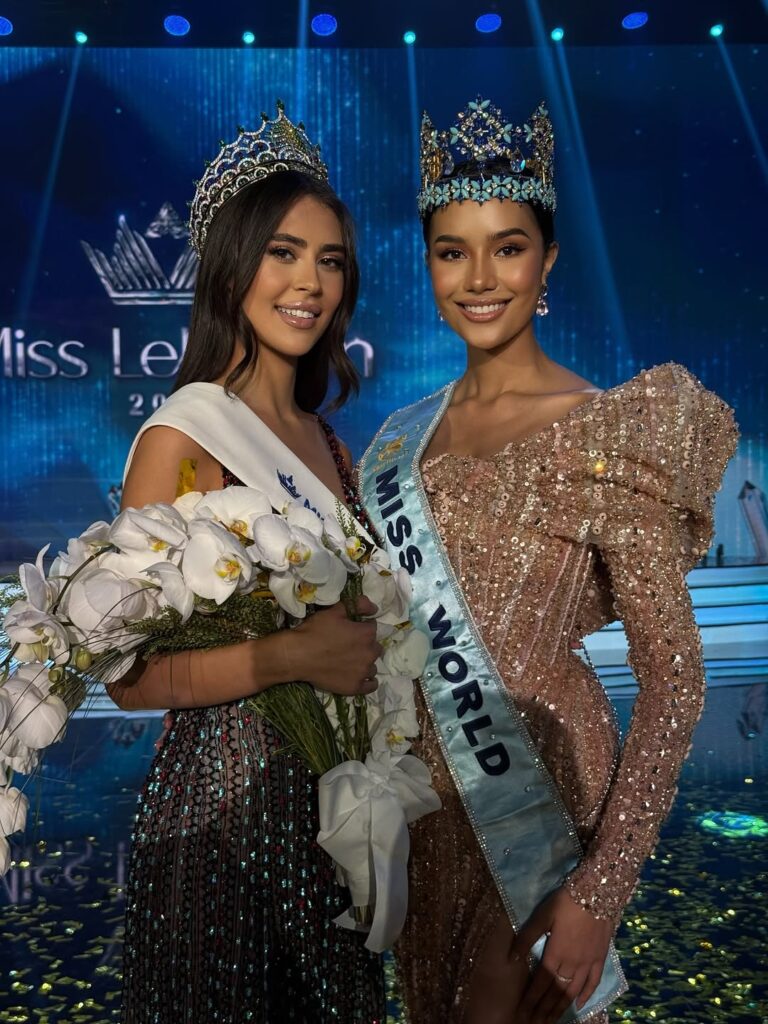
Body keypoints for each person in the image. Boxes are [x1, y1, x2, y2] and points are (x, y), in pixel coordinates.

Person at [358, 98, 738, 1024]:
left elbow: (675, 674)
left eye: (509, 247)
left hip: (539, 797)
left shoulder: (610, 430)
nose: (480, 278)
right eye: (452, 251)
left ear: (549, 259)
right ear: (428, 263)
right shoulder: (398, 440)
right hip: (419, 808)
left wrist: (601, 890)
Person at [107, 103, 386, 1023]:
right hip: (221, 822)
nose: (310, 282)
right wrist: (290, 657)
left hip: (337, 818)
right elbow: (128, 678)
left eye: (330, 260)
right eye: (283, 252)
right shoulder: (186, 436)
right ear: (231, 265)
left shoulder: (330, 444)